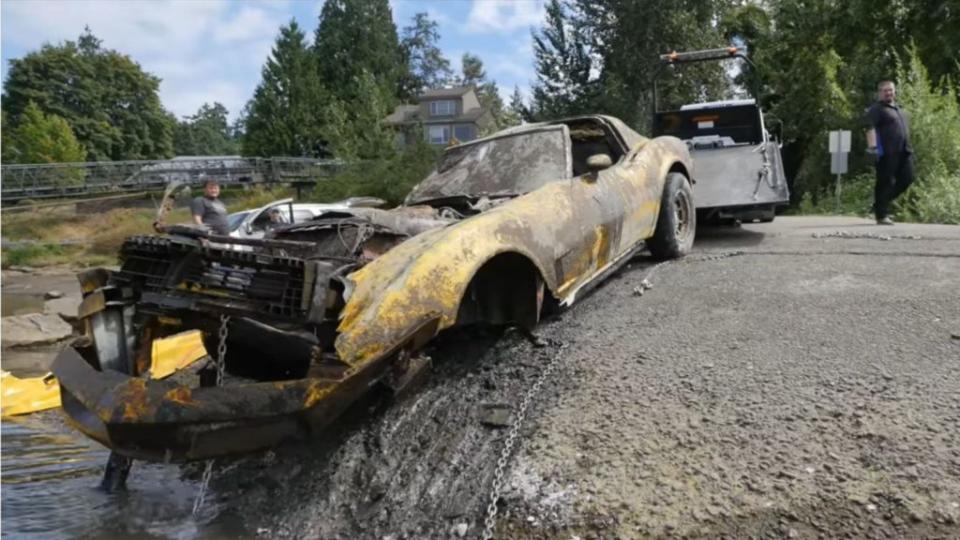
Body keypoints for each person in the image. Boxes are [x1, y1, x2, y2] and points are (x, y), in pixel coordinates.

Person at [865, 80, 914, 225]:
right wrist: (873, 148)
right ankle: (881, 215)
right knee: (884, 182)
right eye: (885, 90)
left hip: (905, 151)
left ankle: (880, 204)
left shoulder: (899, 109)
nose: (888, 93)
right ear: (880, 93)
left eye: (891, 90)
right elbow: (869, 127)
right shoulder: (877, 109)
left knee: (908, 178)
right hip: (887, 152)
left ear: (894, 91)